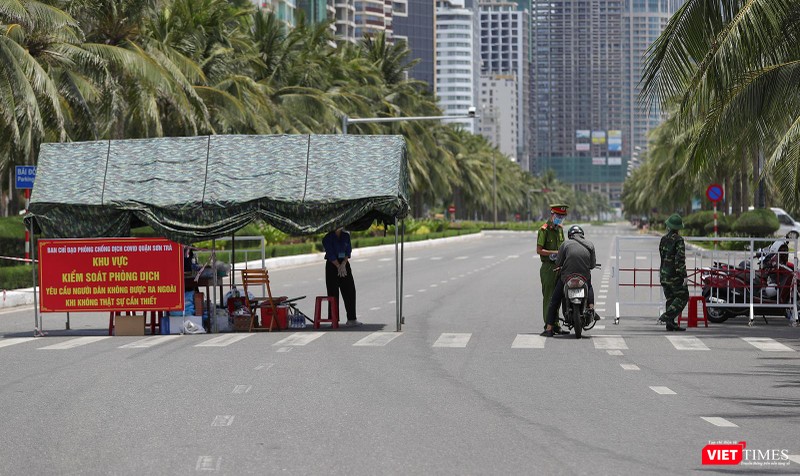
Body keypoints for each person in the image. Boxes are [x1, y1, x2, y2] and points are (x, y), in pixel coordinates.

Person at [540, 225, 600, 337]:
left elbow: (558, 263)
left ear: (570, 235)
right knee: (589, 285)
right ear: (582, 235)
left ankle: (549, 329)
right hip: (583, 277)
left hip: (566, 278)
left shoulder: (565, 244)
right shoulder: (590, 245)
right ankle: (591, 308)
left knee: (554, 301)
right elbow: (592, 265)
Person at [537, 204, 570, 334]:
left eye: (562, 216)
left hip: (559, 267)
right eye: (558, 216)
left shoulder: (560, 230)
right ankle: (548, 325)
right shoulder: (544, 230)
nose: (560, 218)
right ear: (552, 214)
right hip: (548, 268)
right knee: (549, 297)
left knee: (558, 297)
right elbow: (539, 250)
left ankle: (555, 324)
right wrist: (554, 252)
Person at [322, 227, 361, 326]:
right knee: (333, 292)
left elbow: (348, 251)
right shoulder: (327, 238)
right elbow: (330, 254)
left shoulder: (346, 236)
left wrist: (343, 264)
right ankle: (334, 319)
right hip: (332, 265)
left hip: (344, 263)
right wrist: (338, 266)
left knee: (350, 290)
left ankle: (352, 318)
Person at [658, 214, 688, 331]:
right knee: (683, 296)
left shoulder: (663, 239)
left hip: (664, 273)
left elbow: (662, 255)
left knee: (670, 298)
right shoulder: (678, 240)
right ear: (678, 227)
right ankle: (666, 317)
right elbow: (679, 259)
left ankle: (670, 324)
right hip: (674, 276)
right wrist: (683, 275)